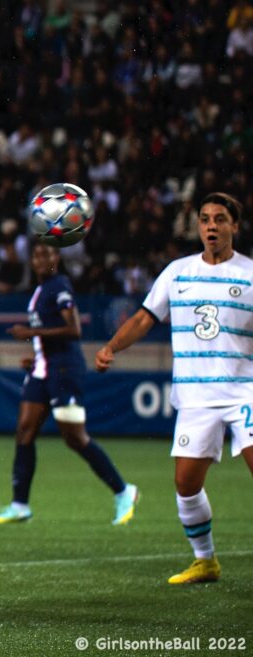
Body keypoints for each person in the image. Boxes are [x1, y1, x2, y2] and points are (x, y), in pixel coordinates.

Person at [95, 193, 253, 584]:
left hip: (244, 392)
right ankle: (206, 562)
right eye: (204, 219)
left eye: (220, 219)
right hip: (196, 398)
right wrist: (112, 346)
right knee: (185, 484)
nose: (211, 226)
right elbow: (144, 318)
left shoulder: (249, 274)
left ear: (235, 226)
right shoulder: (177, 272)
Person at [0, 243, 139, 526]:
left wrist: (31, 332)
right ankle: (20, 505)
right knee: (25, 431)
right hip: (43, 368)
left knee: (74, 437)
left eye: (47, 254)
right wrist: (35, 357)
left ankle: (123, 491)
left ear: (58, 258)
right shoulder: (42, 289)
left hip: (64, 369)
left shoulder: (60, 285)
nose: (41, 259)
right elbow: (49, 333)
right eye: (36, 255)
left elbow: (74, 329)